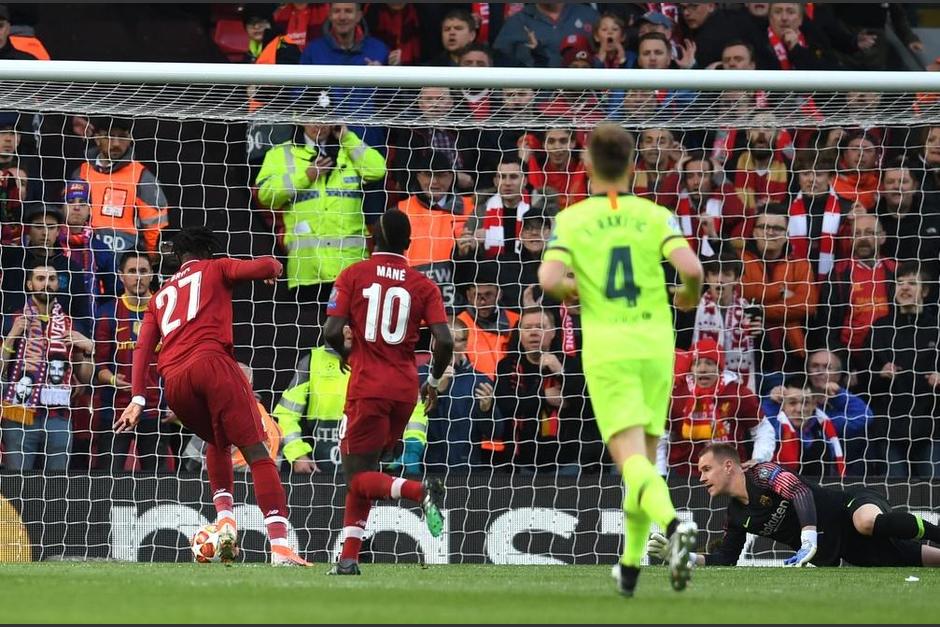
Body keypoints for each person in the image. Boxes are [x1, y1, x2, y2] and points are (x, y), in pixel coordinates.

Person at [539, 122, 703, 596]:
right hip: (655, 344)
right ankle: (629, 567)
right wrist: (687, 297)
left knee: (629, 459)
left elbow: (548, 279)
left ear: (587, 164)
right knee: (645, 461)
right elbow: (692, 270)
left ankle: (673, 525)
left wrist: (572, 289)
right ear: (634, 164)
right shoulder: (656, 215)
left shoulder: (573, 219)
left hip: (610, 348)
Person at [115, 227, 309, 567]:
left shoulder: (160, 296)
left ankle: (225, 521)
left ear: (179, 257)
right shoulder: (215, 267)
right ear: (207, 251)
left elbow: (143, 348)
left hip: (175, 382)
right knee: (258, 451)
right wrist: (274, 269)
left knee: (216, 439)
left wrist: (139, 399)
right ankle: (280, 547)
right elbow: (267, 265)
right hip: (212, 364)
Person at [322, 209, 454, 575]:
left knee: (356, 476)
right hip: (404, 389)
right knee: (368, 472)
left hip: (368, 386)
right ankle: (349, 559)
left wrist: (349, 354)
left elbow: (331, 331)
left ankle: (418, 492)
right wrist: (433, 381)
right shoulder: (424, 285)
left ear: (372, 239)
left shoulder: (353, 274)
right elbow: (444, 340)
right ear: (408, 244)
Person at [647, 442, 940, 567]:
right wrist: (685, 557)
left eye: (706, 469)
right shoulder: (735, 515)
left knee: (866, 523)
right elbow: (726, 558)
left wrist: (807, 536)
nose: (700, 478)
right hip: (843, 548)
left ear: (728, 466)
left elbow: (799, 491)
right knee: (927, 560)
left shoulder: (762, 473)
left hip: (849, 506)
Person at [0, 264, 94, 471]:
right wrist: (12, 336)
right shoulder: (12, 321)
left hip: (58, 416)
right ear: (29, 284)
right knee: (17, 482)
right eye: (40, 279)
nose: (47, 284)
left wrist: (88, 350)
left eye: (52, 279)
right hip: (19, 416)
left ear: (58, 284)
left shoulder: (70, 325)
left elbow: (85, 377)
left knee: (56, 484)